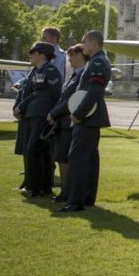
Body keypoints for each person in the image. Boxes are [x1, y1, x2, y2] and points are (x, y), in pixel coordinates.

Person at [59, 30, 111, 213]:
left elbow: (94, 91)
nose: (83, 45)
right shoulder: (97, 60)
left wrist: (79, 114)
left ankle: (76, 201)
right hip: (91, 116)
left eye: (85, 42)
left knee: (78, 158)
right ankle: (86, 198)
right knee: (88, 159)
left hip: (88, 116)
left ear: (94, 43)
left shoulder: (97, 62)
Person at [12, 41, 62, 197]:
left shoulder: (51, 70)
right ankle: (43, 187)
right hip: (32, 114)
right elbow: (29, 92)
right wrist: (19, 107)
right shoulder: (35, 71)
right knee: (40, 151)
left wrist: (54, 114)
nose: (30, 55)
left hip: (42, 115)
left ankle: (35, 187)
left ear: (42, 55)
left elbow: (56, 95)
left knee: (34, 150)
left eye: (33, 53)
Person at [46, 44, 88, 203]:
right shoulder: (75, 75)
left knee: (65, 159)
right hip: (63, 121)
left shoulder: (82, 74)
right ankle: (66, 192)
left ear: (80, 56)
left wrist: (53, 113)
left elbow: (70, 100)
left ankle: (67, 193)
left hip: (69, 122)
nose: (69, 60)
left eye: (71, 56)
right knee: (62, 158)